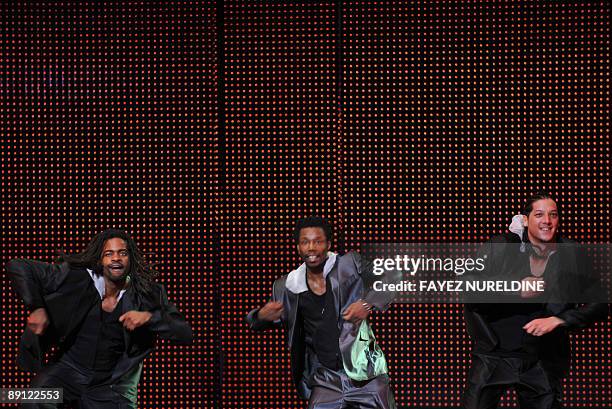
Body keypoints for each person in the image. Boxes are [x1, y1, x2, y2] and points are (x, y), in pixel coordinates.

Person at [6, 229, 193, 408]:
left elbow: (184, 333)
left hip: (110, 386)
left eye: (122, 253)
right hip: (67, 374)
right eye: (109, 254)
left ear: (131, 259)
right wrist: (36, 308)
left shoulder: (148, 294)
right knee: (32, 397)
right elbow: (18, 265)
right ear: (100, 259)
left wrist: (150, 317)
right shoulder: (76, 278)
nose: (116, 258)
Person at [462, 193, 608, 409]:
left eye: (553, 215)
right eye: (539, 214)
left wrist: (560, 320)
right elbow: (468, 286)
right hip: (493, 357)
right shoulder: (500, 246)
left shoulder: (572, 253)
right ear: (525, 219)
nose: (547, 221)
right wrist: (514, 289)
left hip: (542, 361)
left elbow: (600, 303)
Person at [246, 217, 396, 409]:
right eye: (305, 242)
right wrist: (260, 316)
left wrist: (366, 304)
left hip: (366, 375)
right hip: (325, 379)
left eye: (317, 241)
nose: (311, 248)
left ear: (328, 245)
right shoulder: (287, 286)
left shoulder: (348, 264)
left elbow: (389, 283)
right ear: (298, 247)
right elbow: (258, 321)